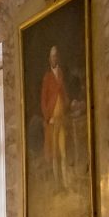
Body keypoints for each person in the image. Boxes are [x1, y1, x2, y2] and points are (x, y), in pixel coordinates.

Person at [40, 45, 70, 190]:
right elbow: (43, 100)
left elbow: (63, 93)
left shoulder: (61, 74)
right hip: (52, 121)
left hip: (61, 120)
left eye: (56, 56)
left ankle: (65, 183)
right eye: (52, 57)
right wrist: (47, 117)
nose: (54, 59)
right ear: (49, 59)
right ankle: (57, 185)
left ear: (58, 58)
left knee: (63, 152)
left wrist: (69, 104)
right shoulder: (47, 77)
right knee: (54, 154)